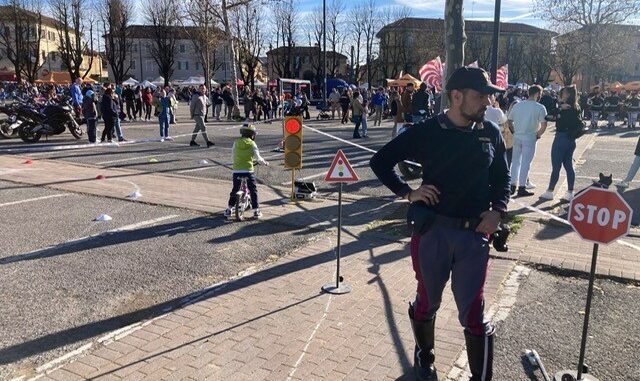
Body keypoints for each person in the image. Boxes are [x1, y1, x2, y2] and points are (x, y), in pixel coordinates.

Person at [370, 67, 509, 381]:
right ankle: (425, 358)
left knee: (474, 313)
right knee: (427, 301)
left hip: (475, 236)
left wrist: (497, 211)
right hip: (433, 233)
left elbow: (503, 179)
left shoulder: (490, 132)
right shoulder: (427, 131)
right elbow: (380, 162)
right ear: (456, 96)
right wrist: (409, 193)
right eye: (480, 95)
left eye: (489, 95)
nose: (487, 102)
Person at [540, 85, 581, 201]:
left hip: (561, 137)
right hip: (571, 139)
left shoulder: (564, 108)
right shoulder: (576, 107)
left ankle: (550, 191)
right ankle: (570, 192)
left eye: (563, 92)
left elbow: (548, 116)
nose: (561, 94)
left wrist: (559, 108)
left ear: (567, 95)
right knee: (569, 166)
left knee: (556, 166)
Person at [507, 84, 547, 196]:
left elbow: (509, 121)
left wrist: (514, 131)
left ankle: (512, 185)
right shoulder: (540, 107)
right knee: (526, 163)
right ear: (538, 94)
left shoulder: (518, 105)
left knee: (515, 162)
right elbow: (544, 125)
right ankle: (522, 187)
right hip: (530, 136)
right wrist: (537, 135)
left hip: (517, 135)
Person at [224, 124, 269, 219]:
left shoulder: (236, 142)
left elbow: (232, 155)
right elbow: (258, 158)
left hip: (236, 170)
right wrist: (264, 163)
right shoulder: (252, 144)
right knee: (253, 190)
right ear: (252, 134)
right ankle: (256, 211)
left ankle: (229, 209)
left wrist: (235, 162)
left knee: (235, 189)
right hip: (248, 170)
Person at [485, 94, 511, 165]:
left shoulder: (479, 109)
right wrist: (498, 108)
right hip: (494, 136)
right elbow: (504, 120)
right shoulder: (497, 111)